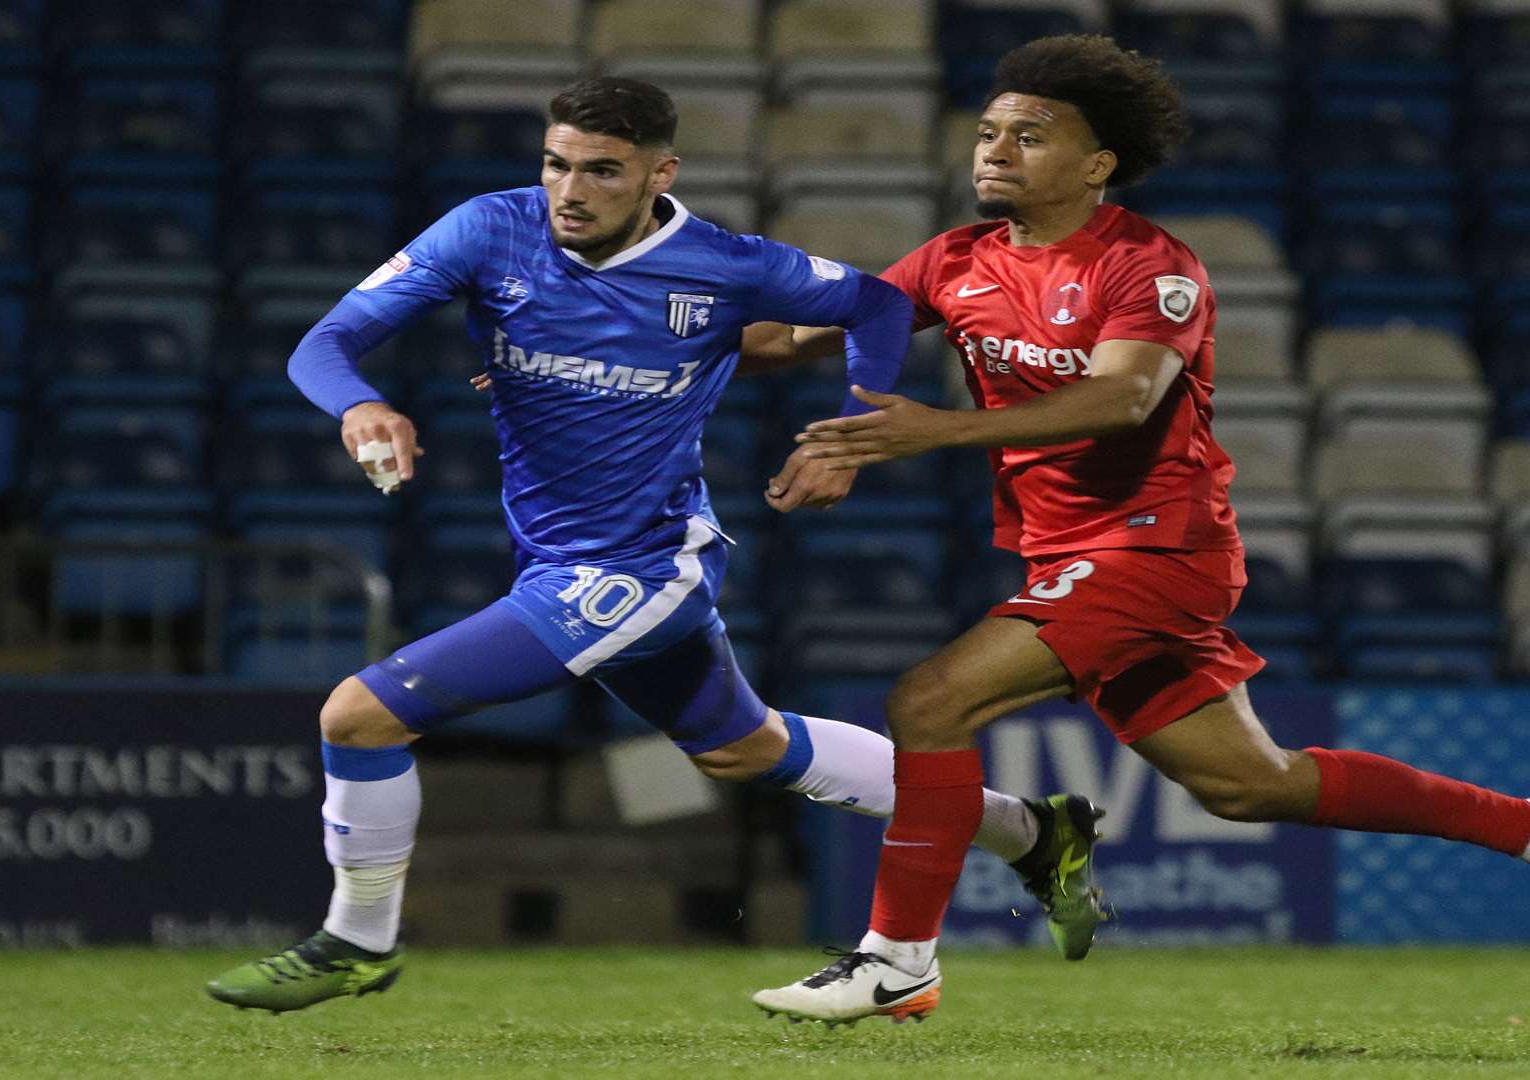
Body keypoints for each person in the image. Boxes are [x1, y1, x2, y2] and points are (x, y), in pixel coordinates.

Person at [206, 76, 1104, 1015]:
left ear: (658, 174)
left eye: (602, 171)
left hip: (641, 568)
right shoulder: (488, 230)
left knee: (359, 715)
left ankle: (356, 941)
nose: (570, 191)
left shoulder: (722, 263)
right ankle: (1030, 834)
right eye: (557, 164)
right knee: (743, 749)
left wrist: (852, 434)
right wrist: (361, 403)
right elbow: (326, 341)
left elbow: (875, 305)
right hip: (558, 558)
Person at [741, 34, 1530, 1027]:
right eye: (989, 132)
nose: (995, 150)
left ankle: (897, 963)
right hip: (1071, 553)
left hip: (1157, 548)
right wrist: (630, 331)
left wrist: (934, 430)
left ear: (1097, 164)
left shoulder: (1150, 265)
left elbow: (1122, 400)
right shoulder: (956, 260)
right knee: (1252, 787)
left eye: (1030, 136)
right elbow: (782, 338)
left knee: (931, 702)